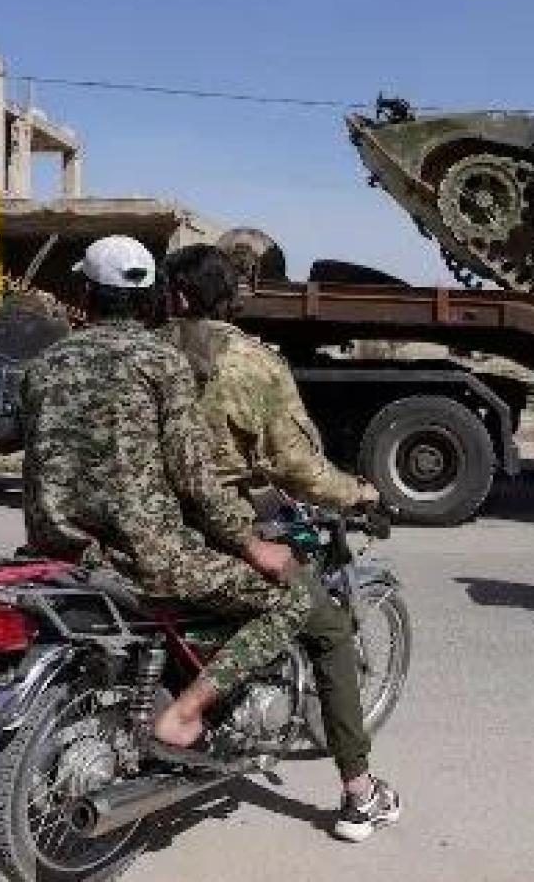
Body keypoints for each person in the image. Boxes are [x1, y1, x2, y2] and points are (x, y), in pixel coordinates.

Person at [19, 235, 309, 761]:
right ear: (153, 295)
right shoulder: (163, 363)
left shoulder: (45, 363)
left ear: (84, 293)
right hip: (143, 558)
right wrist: (251, 545)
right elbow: (196, 475)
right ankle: (185, 713)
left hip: (55, 550)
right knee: (291, 600)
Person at [159, 240, 401, 843]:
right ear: (229, 296)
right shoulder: (255, 364)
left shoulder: (143, 352)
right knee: (328, 629)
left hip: (143, 529)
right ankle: (359, 794)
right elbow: (298, 467)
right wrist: (362, 495)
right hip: (221, 532)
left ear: (175, 295)